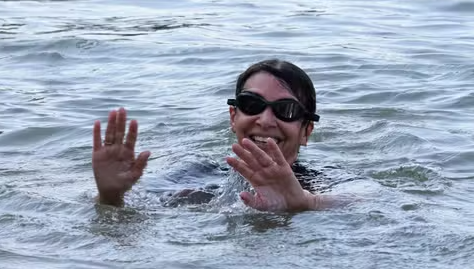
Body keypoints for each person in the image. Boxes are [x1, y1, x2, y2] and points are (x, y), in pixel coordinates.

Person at [92, 59, 339, 212]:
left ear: (306, 131)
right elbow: (133, 223)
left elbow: (366, 199)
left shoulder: (323, 186)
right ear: (234, 117)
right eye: (252, 104)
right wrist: (111, 196)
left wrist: (305, 204)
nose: (264, 120)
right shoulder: (196, 179)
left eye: (286, 110)